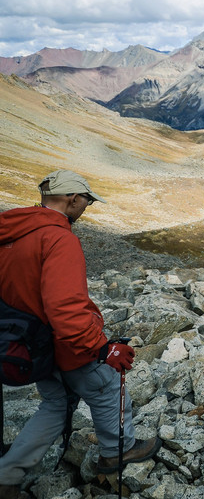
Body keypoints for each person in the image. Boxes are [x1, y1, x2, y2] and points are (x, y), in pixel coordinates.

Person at [0, 170, 160, 499]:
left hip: (29, 342)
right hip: (64, 343)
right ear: (72, 199)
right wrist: (103, 348)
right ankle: (118, 451)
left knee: (55, 404)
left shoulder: (12, 232)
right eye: (86, 199)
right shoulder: (60, 239)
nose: (87, 205)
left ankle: (8, 474)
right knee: (107, 386)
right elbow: (65, 307)